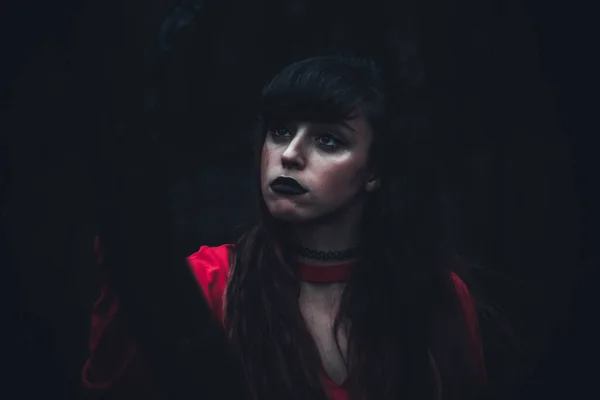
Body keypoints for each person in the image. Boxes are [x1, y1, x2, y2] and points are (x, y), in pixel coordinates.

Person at [82, 55, 487, 400]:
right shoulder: (208, 282)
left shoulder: (438, 296)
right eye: (280, 131)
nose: (290, 154)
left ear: (374, 171)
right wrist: (127, 252)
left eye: (328, 141)